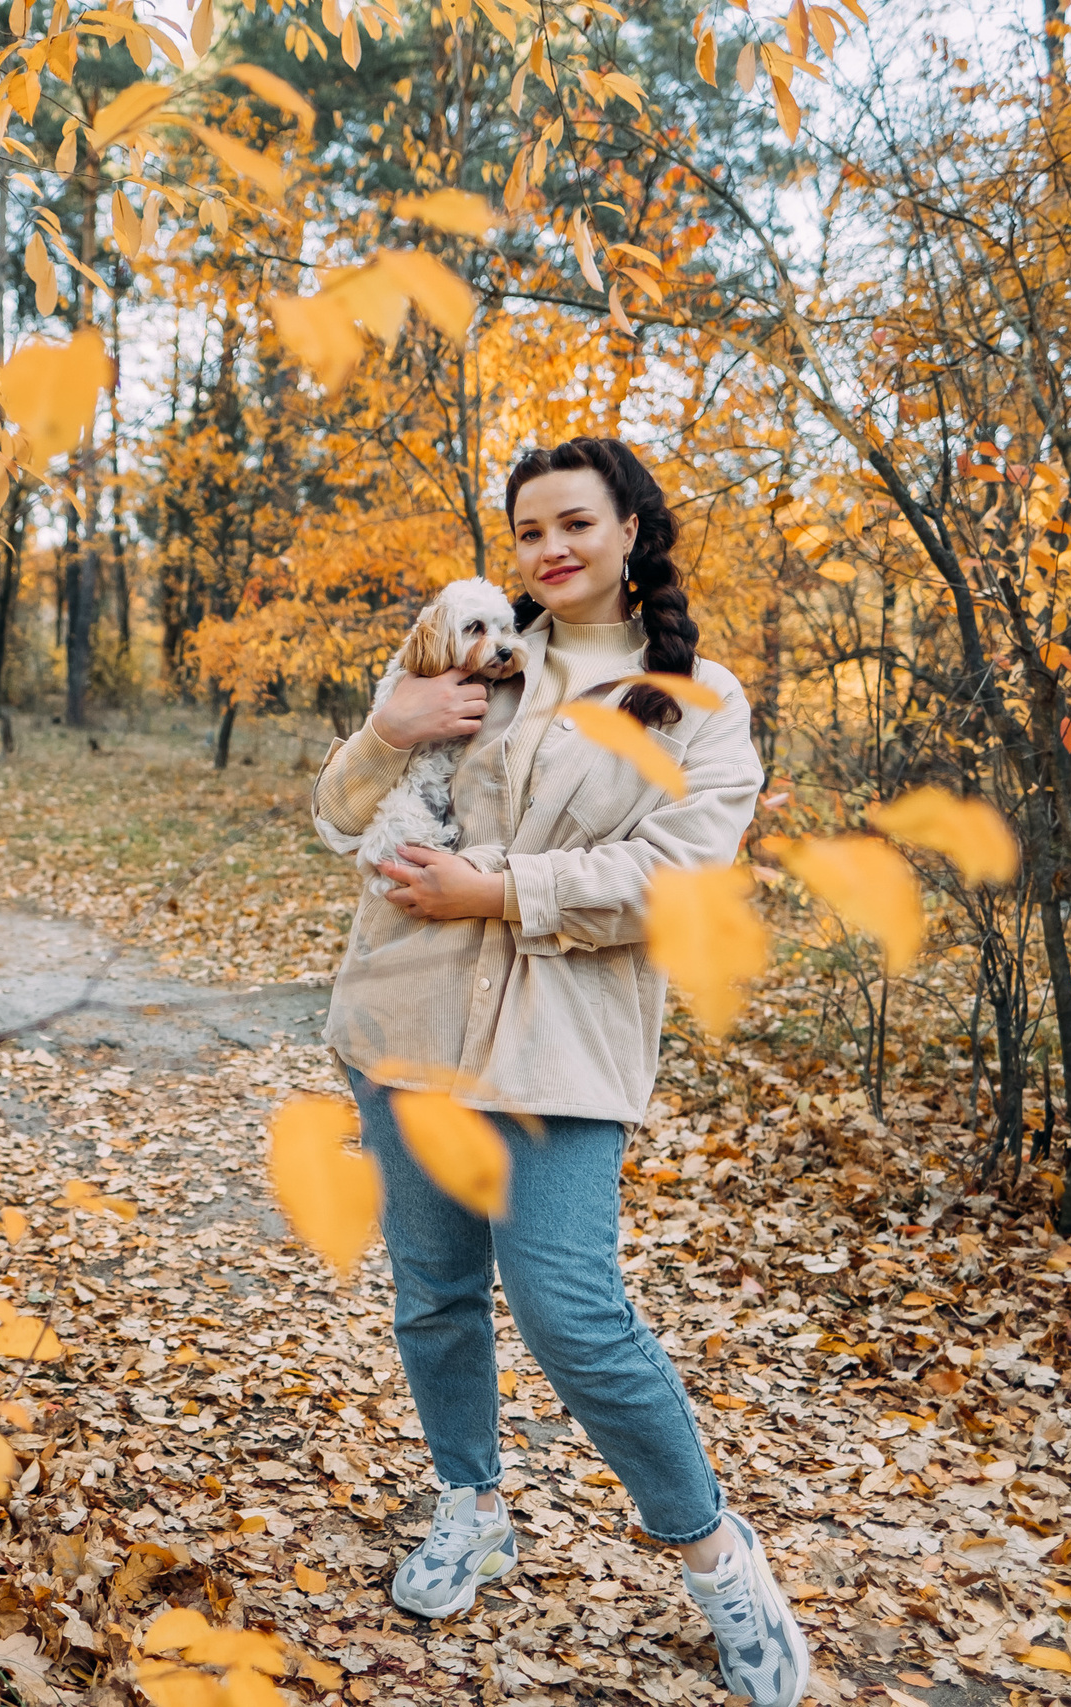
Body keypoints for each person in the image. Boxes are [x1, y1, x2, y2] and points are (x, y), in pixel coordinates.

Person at [309, 438, 806, 1707]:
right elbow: (339, 812)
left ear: (633, 527)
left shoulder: (700, 698)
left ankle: (714, 1559)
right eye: (528, 530)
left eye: (575, 522)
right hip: (407, 1023)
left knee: (573, 1314)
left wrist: (500, 891)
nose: (550, 551)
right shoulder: (477, 649)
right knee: (432, 1292)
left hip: (562, 1047)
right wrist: (379, 728)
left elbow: (681, 878)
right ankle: (469, 1503)